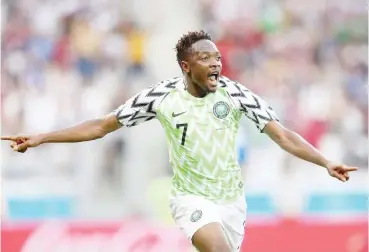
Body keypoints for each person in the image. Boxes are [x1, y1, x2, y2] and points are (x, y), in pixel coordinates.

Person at [1, 30, 358, 252]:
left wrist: (325, 161)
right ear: (186, 67)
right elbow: (100, 126)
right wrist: (42, 137)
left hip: (232, 202)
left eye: (217, 57)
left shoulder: (236, 94)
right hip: (191, 199)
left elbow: (284, 136)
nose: (216, 63)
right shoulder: (159, 97)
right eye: (205, 58)